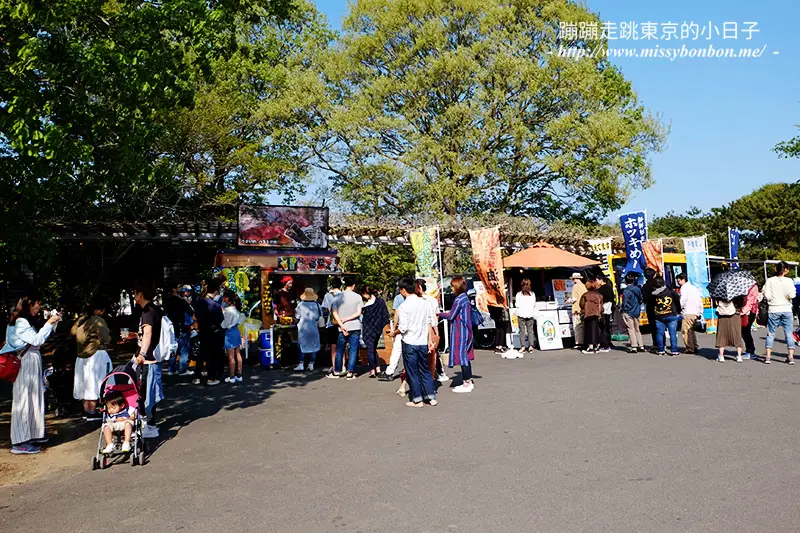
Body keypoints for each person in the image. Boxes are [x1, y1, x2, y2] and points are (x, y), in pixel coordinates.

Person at [1, 296, 61, 454]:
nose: (38, 308)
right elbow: (36, 340)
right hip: (25, 363)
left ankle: (33, 434)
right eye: (36, 305)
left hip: (30, 362)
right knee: (23, 401)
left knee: (34, 399)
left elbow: (39, 339)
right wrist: (49, 324)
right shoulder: (21, 322)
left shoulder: (24, 321)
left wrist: (52, 323)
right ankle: (19, 441)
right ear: (29, 306)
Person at [394, 278, 437, 407]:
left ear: (403, 290)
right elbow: (429, 322)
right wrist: (430, 340)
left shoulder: (404, 306)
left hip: (409, 342)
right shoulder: (424, 303)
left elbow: (403, 328)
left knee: (412, 371)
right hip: (422, 341)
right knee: (424, 369)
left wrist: (394, 333)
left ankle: (417, 399)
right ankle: (431, 396)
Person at [71, 299, 113, 420]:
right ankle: (93, 411)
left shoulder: (82, 320)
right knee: (96, 382)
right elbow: (106, 338)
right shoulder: (98, 320)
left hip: (81, 356)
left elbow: (72, 332)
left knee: (85, 383)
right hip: (96, 353)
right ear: (100, 310)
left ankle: (87, 411)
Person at [133, 282, 164, 439]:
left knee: (147, 392)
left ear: (141, 294)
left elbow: (148, 333)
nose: (134, 296)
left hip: (149, 359)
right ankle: (148, 423)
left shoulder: (148, 311)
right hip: (152, 357)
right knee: (148, 391)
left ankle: (150, 425)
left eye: (135, 293)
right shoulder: (155, 309)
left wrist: (142, 354)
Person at [438, 276, 475, 393]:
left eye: (453, 286)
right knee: (466, 356)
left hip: (461, 331)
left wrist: (439, 314)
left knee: (462, 357)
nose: (451, 289)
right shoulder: (465, 298)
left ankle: (467, 383)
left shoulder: (459, 300)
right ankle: (468, 380)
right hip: (467, 330)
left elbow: (451, 316)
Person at [329, 276, 363, 380]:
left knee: (340, 349)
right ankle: (350, 372)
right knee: (353, 350)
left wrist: (342, 324)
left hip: (342, 327)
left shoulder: (338, 297)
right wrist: (348, 319)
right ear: (353, 286)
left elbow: (334, 312)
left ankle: (337, 371)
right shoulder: (358, 297)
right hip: (355, 326)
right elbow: (358, 313)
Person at [763, 261, 797, 365]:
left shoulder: (770, 280)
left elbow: (767, 295)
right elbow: (792, 295)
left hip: (774, 308)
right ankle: (790, 356)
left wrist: (771, 299)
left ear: (775, 269)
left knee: (771, 333)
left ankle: (768, 356)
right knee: (788, 333)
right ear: (786, 270)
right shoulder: (789, 281)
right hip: (786, 308)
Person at [193, 278, 225, 385]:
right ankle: (211, 378)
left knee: (201, 354)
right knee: (213, 356)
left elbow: (195, 316)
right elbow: (220, 320)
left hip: (202, 331)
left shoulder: (199, 302)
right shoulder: (215, 305)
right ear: (215, 292)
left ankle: (197, 377)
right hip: (213, 332)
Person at [416, 279, 447, 382]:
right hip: (433, 328)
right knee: (433, 352)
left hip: (421, 330)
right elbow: (436, 316)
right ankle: (439, 373)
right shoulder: (432, 300)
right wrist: (436, 330)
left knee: (424, 353)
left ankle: (428, 375)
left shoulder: (418, 300)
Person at [360, 285, 390, 378]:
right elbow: (385, 315)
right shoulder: (380, 301)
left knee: (370, 349)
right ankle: (378, 368)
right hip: (377, 330)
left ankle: (372, 370)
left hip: (368, 329)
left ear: (365, 293)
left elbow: (364, 317)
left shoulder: (367, 305)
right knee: (373, 348)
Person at [165, 284, 195, 376]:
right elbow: (191, 312)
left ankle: (171, 369)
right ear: (174, 289)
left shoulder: (167, 301)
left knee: (173, 348)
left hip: (171, 327)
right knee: (184, 349)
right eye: (179, 287)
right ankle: (182, 369)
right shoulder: (181, 301)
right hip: (182, 327)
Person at [651, 277, 681, 356]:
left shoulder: (653, 294)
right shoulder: (671, 291)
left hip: (658, 315)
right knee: (672, 333)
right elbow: (677, 301)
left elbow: (652, 304)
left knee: (659, 333)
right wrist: (679, 311)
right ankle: (674, 350)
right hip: (671, 314)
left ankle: (661, 350)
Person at [294, 288, 322, 372]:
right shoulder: (317, 305)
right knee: (313, 346)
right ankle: (311, 364)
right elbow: (320, 316)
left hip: (303, 329)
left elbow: (297, 317)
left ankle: (301, 364)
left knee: (302, 346)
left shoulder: (300, 305)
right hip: (314, 329)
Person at [676, 273, 703, 355]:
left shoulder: (684, 288)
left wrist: (679, 309)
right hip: (695, 312)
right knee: (691, 330)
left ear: (683, 280)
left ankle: (690, 348)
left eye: (679, 281)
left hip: (687, 311)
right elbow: (699, 300)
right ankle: (694, 346)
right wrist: (700, 311)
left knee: (686, 330)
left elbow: (682, 300)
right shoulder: (694, 288)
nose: (678, 282)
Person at [221, 290, 244, 383]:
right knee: (238, 354)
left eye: (224, 297)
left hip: (229, 332)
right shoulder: (236, 309)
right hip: (236, 331)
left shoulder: (228, 310)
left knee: (231, 356)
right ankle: (239, 374)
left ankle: (231, 376)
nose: (223, 299)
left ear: (228, 298)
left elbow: (224, 324)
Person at [321, 278, 342, 372]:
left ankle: (334, 366)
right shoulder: (344, 295)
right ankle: (343, 366)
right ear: (341, 285)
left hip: (332, 323)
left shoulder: (328, 295)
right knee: (342, 346)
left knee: (333, 346)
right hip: (343, 322)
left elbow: (324, 310)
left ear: (332, 285)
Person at [716, 296, 744, 363]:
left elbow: (716, 304)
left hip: (722, 316)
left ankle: (721, 355)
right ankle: (739, 356)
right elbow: (741, 304)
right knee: (737, 335)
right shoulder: (737, 293)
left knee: (721, 335)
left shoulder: (720, 293)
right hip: (735, 315)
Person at [621, 273, 644, 353]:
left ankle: (634, 346)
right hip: (636, 311)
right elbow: (641, 300)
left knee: (631, 329)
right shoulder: (638, 289)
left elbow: (624, 303)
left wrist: (622, 309)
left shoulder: (626, 291)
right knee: (637, 329)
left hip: (628, 311)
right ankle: (641, 345)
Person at [579, 280, 603, 354]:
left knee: (589, 330)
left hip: (588, 313)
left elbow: (581, 305)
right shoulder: (599, 295)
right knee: (596, 330)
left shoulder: (585, 295)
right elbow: (601, 305)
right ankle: (597, 346)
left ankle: (590, 347)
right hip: (597, 314)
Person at [515, 278, 537, 353]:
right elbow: (534, 304)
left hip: (521, 314)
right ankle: (531, 346)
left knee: (522, 331)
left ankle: (523, 346)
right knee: (530, 330)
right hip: (530, 314)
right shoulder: (532, 294)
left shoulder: (519, 294)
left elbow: (516, 304)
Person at [596, 270, 615, 352]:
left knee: (602, 328)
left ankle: (605, 345)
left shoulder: (600, 290)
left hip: (603, 310)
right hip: (609, 309)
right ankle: (609, 343)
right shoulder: (609, 288)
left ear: (600, 280)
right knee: (607, 327)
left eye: (597, 280)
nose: (596, 282)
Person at [567, 273, 587, 350]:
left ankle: (578, 342)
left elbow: (574, 298)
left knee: (577, 327)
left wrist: (568, 301)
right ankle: (584, 341)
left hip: (576, 309)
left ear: (574, 279)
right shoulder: (584, 286)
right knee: (583, 326)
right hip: (583, 309)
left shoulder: (575, 286)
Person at [740, 282, 759, 360]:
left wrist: (742, 311)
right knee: (745, 332)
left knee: (745, 332)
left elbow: (749, 302)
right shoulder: (753, 286)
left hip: (748, 312)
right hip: (752, 311)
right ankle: (750, 350)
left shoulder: (751, 287)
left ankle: (750, 351)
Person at [641, 268, 659, 350]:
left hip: (650, 307)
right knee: (660, 326)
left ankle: (655, 343)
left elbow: (644, 299)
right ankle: (662, 343)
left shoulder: (644, 286)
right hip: (659, 307)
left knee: (653, 326)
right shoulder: (658, 284)